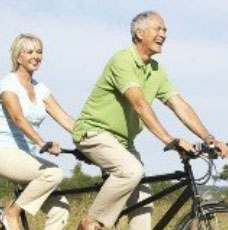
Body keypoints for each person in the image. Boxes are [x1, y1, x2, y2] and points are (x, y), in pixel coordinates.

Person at [73, 11, 228, 230]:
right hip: (94, 132)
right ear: (139, 32)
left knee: (143, 202)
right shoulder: (123, 60)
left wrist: (209, 137)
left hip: (124, 143)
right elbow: (139, 104)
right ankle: (90, 223)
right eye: (158, 29)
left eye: (165, 30)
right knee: (131, 171)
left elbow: (179, 105)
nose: (164, 34)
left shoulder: (157, 71)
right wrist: (170, 139)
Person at [0, 33, 75, 230]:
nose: (36, 56)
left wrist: (90, 139)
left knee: (60, 210)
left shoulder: (40, 88)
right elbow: (18, 119)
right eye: (30, 51)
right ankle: (12, 213)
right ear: (18, 57)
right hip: (5, 151)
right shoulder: (8, 84)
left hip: (28, 156)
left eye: (39, 52)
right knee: (53, 173)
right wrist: (43, 142)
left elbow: (65, 118)